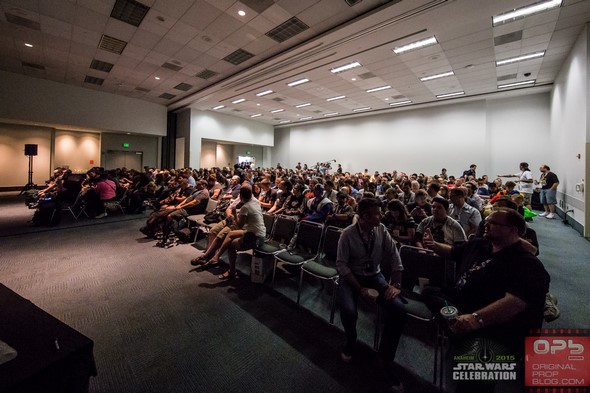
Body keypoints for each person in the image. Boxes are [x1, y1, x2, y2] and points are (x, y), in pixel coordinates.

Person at [422, 208, 550, 393]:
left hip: (498, 328)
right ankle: (458, 327)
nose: (485, 224)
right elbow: (453, 252)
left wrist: (475, 319)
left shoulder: (527, 264)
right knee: (430, 293)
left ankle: (463, 332)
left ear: (512, 231)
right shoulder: (480, 245)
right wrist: (433, 245)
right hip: (462, 303)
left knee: (476, 369)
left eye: (493, 223)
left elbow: (513, 304)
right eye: (486, 221)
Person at [336, 198, 406, 393]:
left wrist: (396, 284)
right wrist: (360, 289)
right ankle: (351, 341)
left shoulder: (381, 229)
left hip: (375, 276)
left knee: (399, 310)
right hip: (352, 278)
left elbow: (394, 255)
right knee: (349, 312)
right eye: (377, 213)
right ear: (365, 216)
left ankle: (384, 358)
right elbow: (341, 265)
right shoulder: (347, 235)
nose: (381, 215)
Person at [211, 186, 266, 280]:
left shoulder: (245, 207)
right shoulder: (255, 201)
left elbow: (239, 225)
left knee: (231, 244)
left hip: (256, 237)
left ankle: (230, 270)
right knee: (230, 234)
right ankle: (217, 257)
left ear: (241, 196)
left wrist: (235, 214)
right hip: (257, 232)